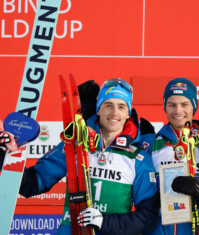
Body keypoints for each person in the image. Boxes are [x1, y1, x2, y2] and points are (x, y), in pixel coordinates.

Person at [18, 78, 159, 235]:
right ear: (98, 109)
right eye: (108, 105)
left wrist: (103, 222)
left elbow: (146, 218)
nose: (114, 112)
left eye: (121, 107)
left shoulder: (139, 160)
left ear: (128, 113)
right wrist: (7, 157)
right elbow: (31, 184)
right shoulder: (75, 145)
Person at [139, 77, 199, 235]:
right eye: (172, 105)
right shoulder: (151, 144)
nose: (178, 111)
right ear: (165, 106)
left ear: (194, 107)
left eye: (184, 104)